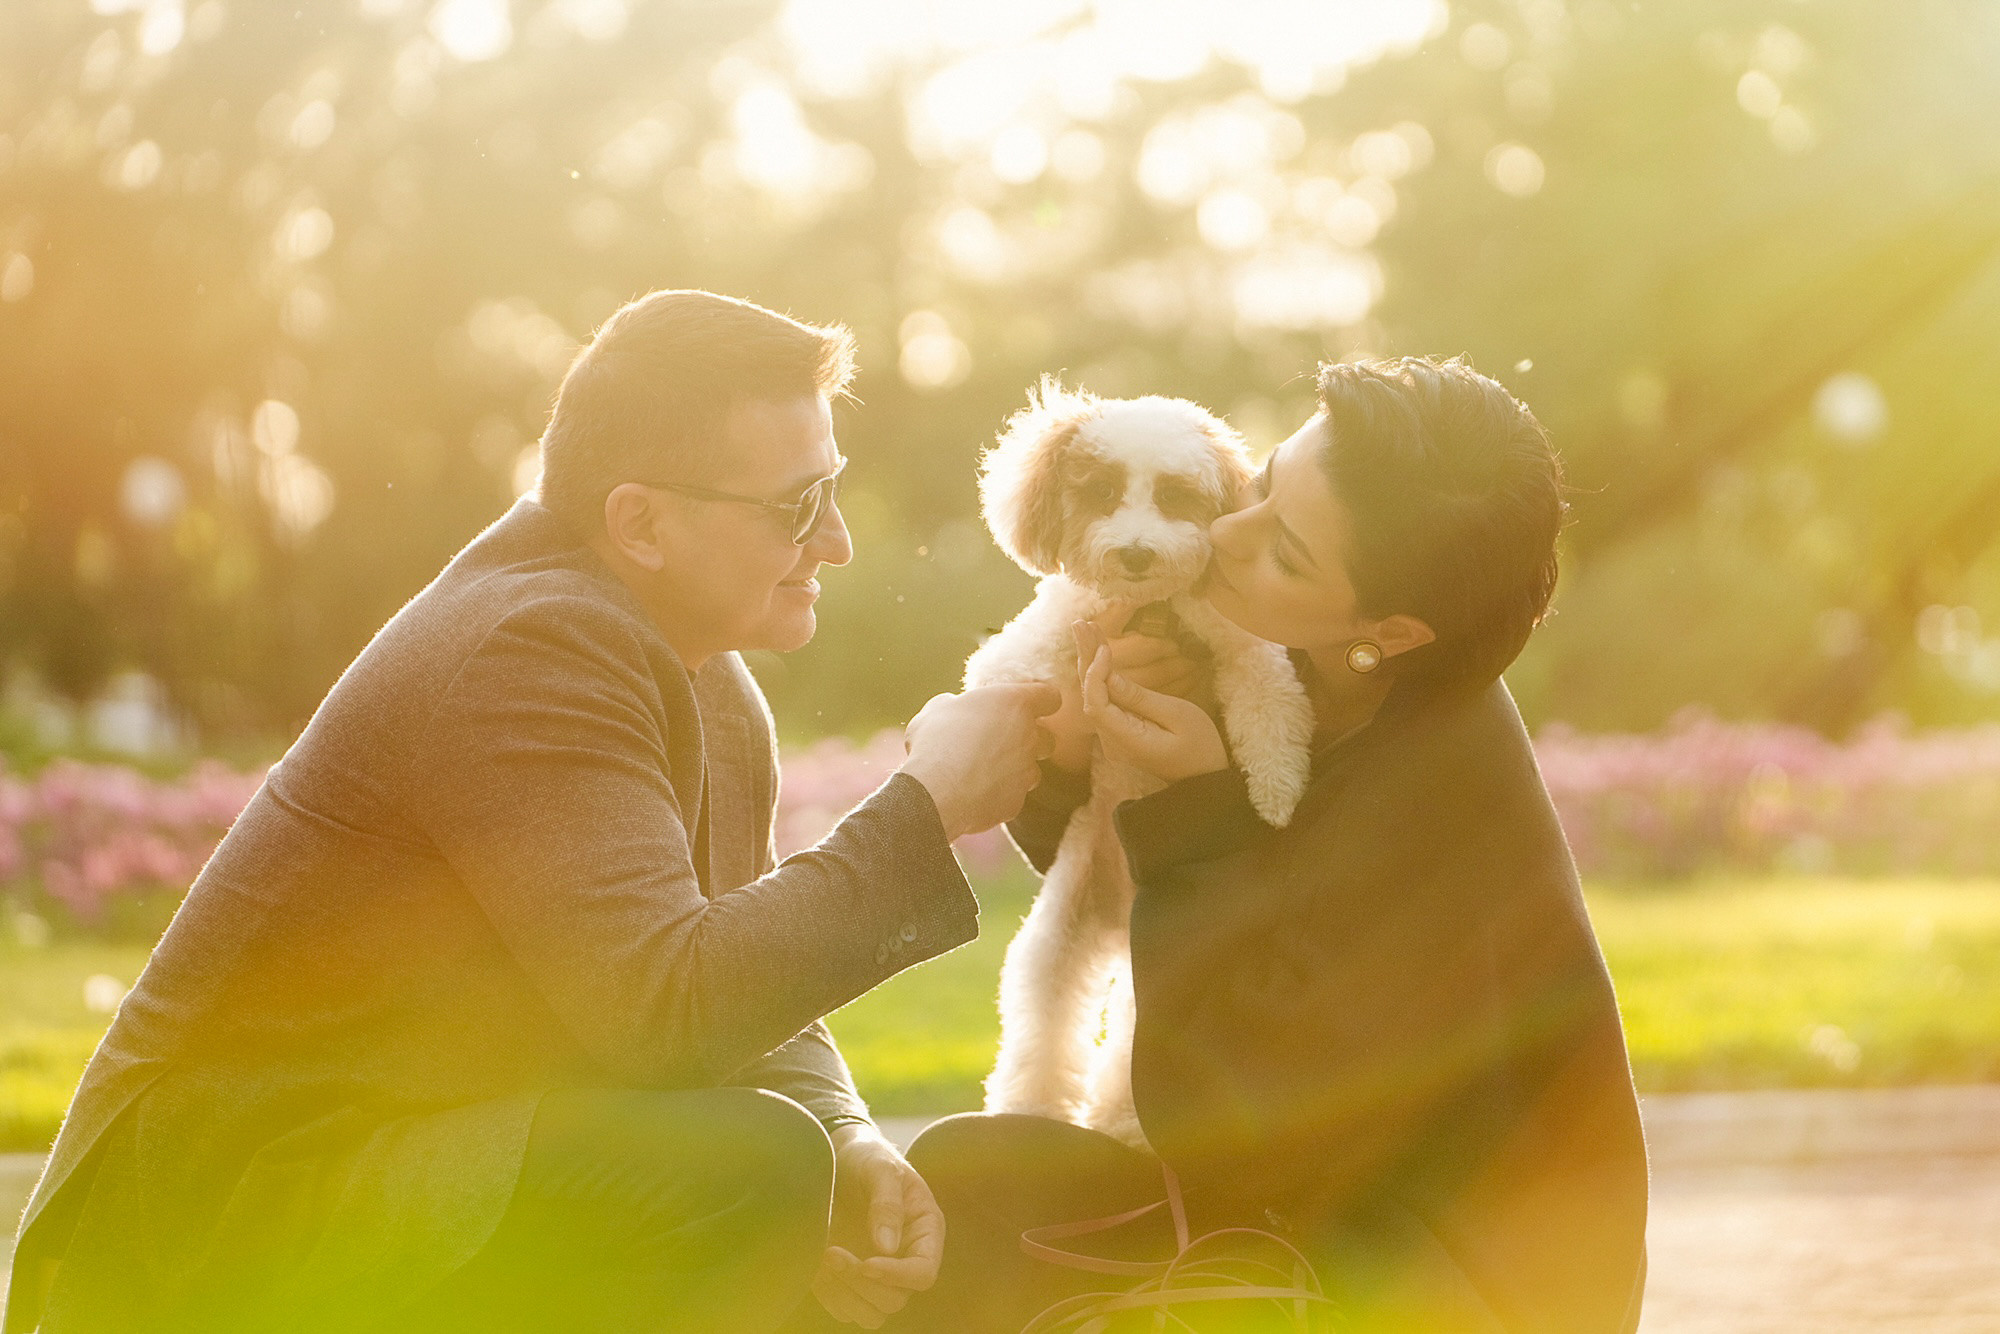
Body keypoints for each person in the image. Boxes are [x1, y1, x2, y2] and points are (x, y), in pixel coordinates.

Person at [2, 290, 1060, 1334]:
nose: (836, 540)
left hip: (416, 1152)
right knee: (751, 1172)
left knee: (825, 1200)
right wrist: (927, 806)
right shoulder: (531, 644)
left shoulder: (703, 678)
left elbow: (733, 964)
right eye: (795, 505)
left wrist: (845, 1132)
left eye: (830, 488)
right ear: (639, 522)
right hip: (228, 1210)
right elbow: (671, 1009)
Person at [898, 357, 1650, 1332]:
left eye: (1284, 553)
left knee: (978, 1217)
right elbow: (1131, 890)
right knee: (960, 1181)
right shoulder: (1289, 653)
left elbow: (1233, 1106)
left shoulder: (1436, 787)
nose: (1226, 533)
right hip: (1301, 1203)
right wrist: (1071, 759)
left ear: (1388, 631)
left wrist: (1196, 808)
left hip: (1436, 1271)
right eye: (1259, 485)